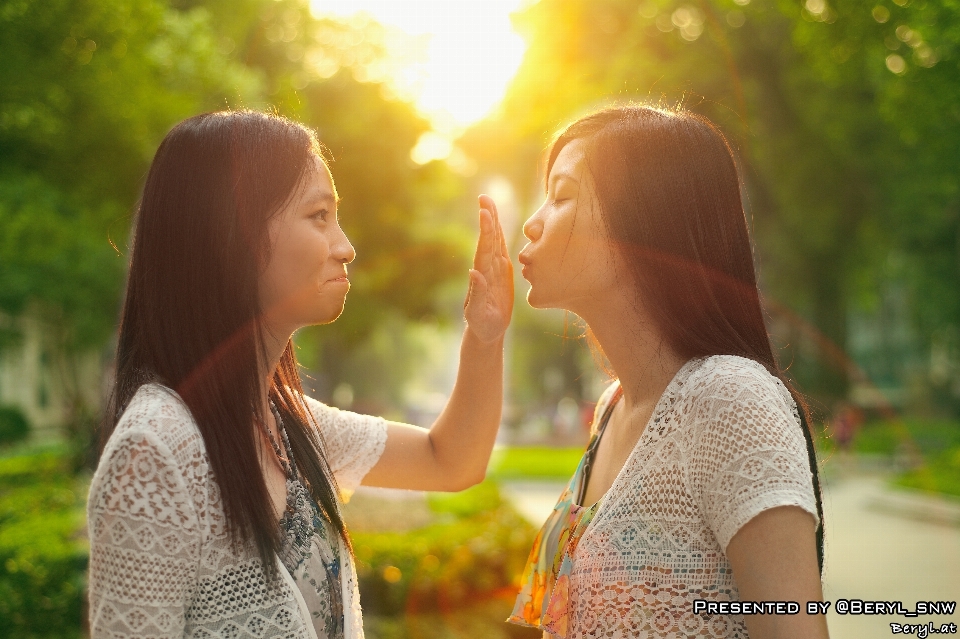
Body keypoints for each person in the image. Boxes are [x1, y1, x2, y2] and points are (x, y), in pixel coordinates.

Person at [86, 110, 513, 639]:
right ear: (233, 233)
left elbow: (450, 460)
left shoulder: (290, 424)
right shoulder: (156, 452)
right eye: (319, 216)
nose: (346, 246)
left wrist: (486, 334)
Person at [507, 106, 827, 639]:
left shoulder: (729, 399)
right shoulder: (612, 406)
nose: (533, 221)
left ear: (642, 221)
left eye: (561, 196)